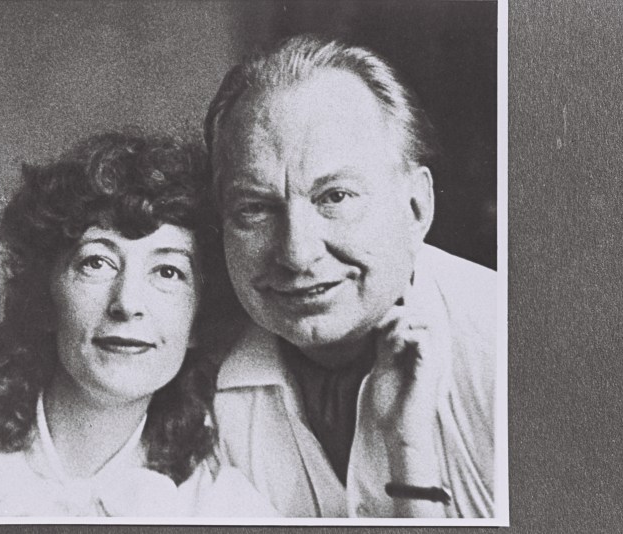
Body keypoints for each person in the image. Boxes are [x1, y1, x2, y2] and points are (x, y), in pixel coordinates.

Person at [204, 35, 497, 518]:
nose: (296, 254)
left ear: (416, 207)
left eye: (335, 197)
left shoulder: (509, 355)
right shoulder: (194, 382)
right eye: (255, 208)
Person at [0, 131, 277, 518]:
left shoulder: (222, 508)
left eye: (168, 271)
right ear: (44, 297)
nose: (127, 304)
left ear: (198, 321)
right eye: (96, 263)